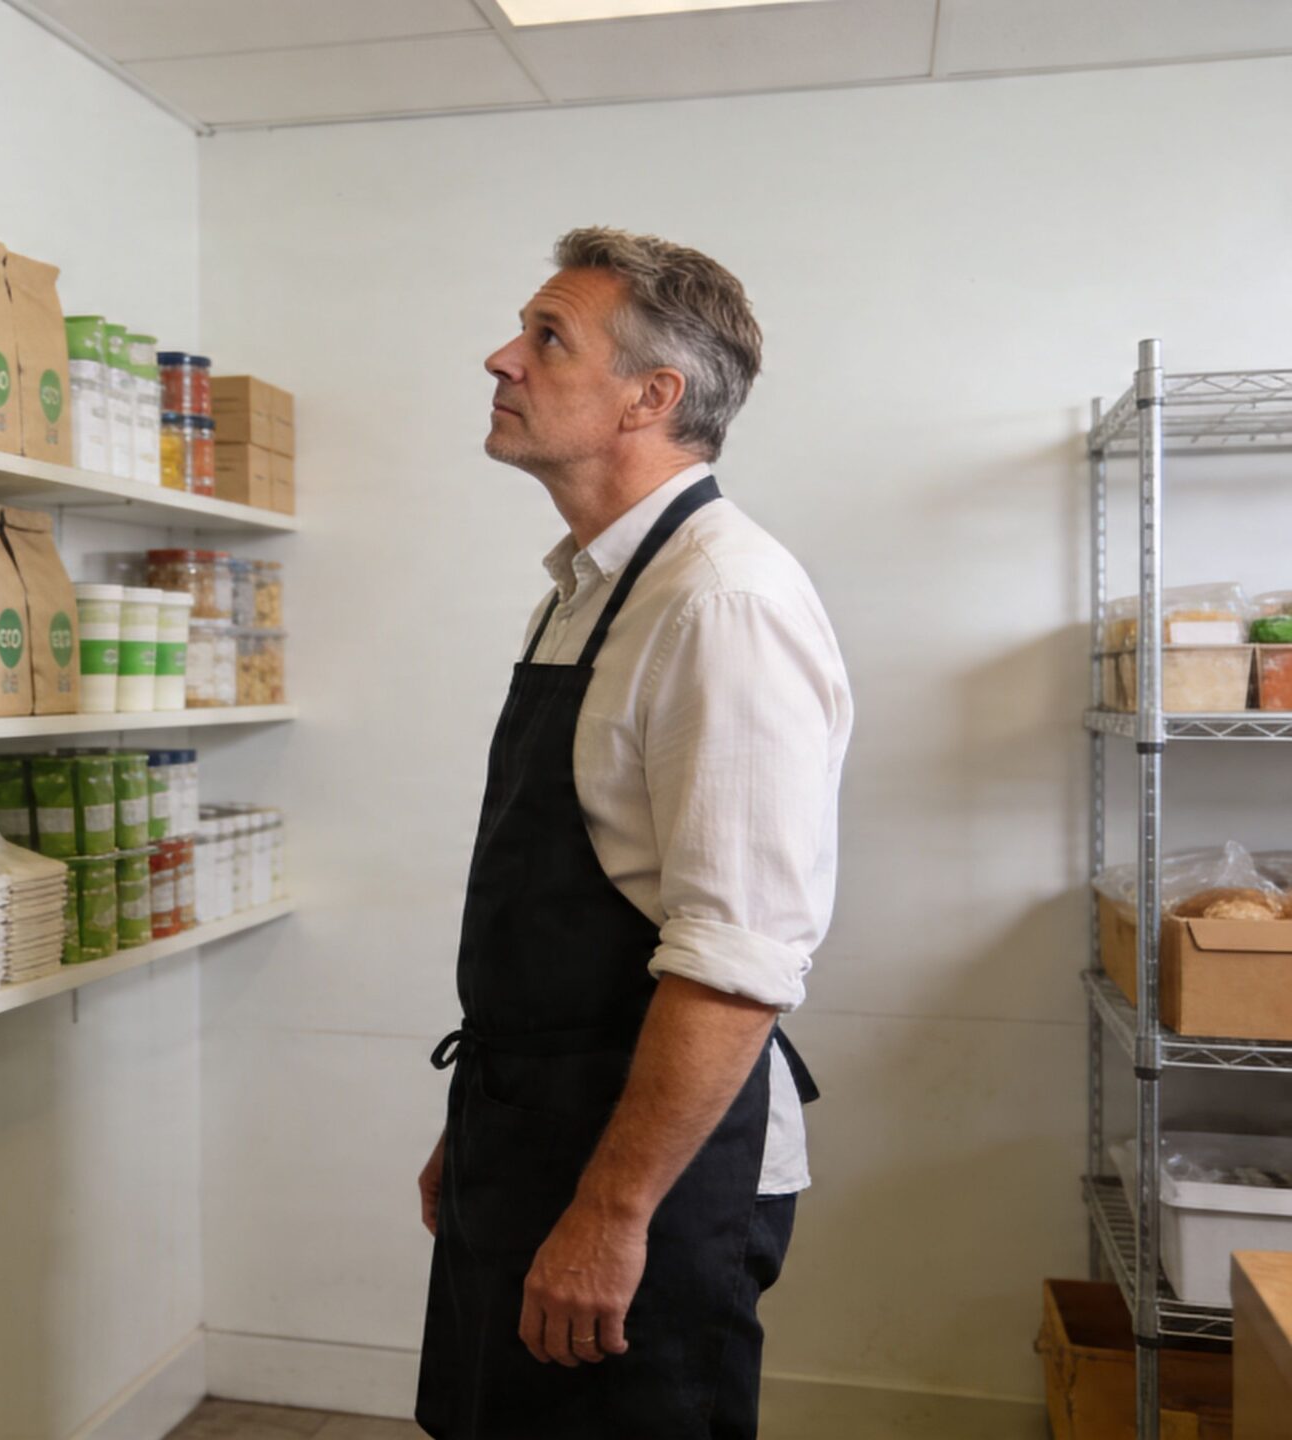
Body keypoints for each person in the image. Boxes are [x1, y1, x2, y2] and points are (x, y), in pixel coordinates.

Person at [414, 228, 851, 1439]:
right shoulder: (591, 587)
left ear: (651, 397)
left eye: (547, 337)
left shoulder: (723, 602)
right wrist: (482, 1130)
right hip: (535, 1128)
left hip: (646, 1175)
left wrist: (612, 1215)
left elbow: (736, 958)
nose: (500, 358)